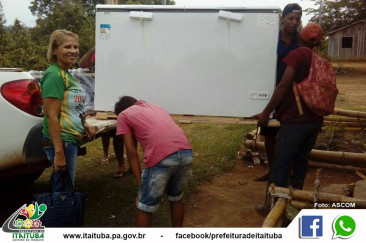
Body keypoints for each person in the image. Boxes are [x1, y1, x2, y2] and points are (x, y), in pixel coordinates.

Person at [253, 23, 324, 215]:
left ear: (301, 37)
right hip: (314, 121)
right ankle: (296, 203)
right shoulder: (317, 59)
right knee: (301, 161)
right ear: (317, 42)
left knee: (281, 163)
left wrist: (265, 112)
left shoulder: (297, 55)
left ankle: (271, 205)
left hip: (295, 121)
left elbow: (283, 86)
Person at [115, 96, 193, 227]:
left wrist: (140, 185)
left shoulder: (123, 115)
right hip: (186, 152)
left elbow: (131, 152)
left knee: (144, 206)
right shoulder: (156, 107)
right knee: (176, 199)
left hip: (162, 157)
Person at [41, 29, 95, 191]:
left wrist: (83, 124)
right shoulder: (55, 76)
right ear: (54, 50)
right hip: (62, 142)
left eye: (75, 47)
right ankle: (58, 217)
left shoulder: (66, 74)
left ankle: (60, 216)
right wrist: (58, 153)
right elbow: (51, 115)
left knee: (64, 187)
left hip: (70, 139)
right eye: (67, 47)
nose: (73, 51)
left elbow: (71, 107)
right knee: (63, 192)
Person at [254, 3, 302, 182]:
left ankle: (285, 173)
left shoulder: (301, 41)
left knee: (288, 136)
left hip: (293, 95)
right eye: (290, 18)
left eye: (297, 19)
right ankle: (272, 170)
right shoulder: (271, 38)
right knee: (269, 134)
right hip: (272, 91)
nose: (294, 22)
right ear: (282, 19)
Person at [79, 47, 127, 178]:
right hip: (101, 97)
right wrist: (95, 48)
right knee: (106, 131)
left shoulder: (121, 62)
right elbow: (82, 64)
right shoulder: (99, 55)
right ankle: (105, 154)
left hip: (117, 96)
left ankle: (121, 164)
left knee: (119, 132)